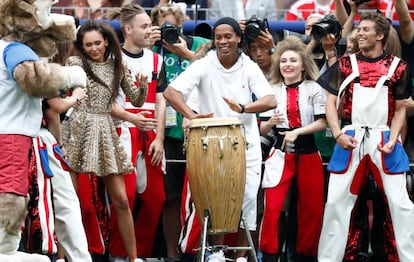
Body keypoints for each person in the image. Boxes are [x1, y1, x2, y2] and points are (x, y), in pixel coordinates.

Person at [163, 17, 277, 262]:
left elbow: (270, 100)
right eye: (218, 37)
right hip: (211, 141)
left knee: (247, 200)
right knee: (217, 199)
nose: (223, 41)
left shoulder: (248, 65)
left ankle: (241, 257)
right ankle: (216, 253)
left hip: (246, 142)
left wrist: (244, 108)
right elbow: (171, 92)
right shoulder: (205, 64)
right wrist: (192, 116)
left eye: (228, 36)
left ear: (238, 38)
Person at [317, 11, 414, 262]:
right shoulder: (345, 63)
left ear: (380, 35)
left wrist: (393, 139)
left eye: (365, 29)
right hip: (350, 136)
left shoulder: (398, 66)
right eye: (359, 29)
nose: (359, 33)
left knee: (400, 204)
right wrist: (337, 133)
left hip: (384, 137)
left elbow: (401, 107)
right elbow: (329, 103)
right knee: (335, 203)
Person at [61, 20, 148, 262]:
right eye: (87, 44)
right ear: (81, 46)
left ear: (107, 41)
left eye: (97, 43)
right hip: (78, 128)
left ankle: (133, 258)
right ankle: (62, 256)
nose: (93, 48)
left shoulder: (117, 66)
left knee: (121, 200)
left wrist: (143, 86)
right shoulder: (75, 63)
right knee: (70, 198)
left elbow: (137, 100)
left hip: (105, 129)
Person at [149, 3, 210, 260]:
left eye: (173, 26)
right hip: (167, 131)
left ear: (182, 22)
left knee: (203, 195)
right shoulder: (150, 49)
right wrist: (146, 44)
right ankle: (173, 253)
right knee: (170, 197)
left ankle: (200, 248)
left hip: (198, 126)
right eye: (164, 28)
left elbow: (217, 69)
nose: (169, 33)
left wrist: (185, 53)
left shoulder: (199, 44)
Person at [107, 3, 168, 260]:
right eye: (144, 27)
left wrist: (161, 138)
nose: (149, 31)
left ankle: (138, 254)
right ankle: (119, 254)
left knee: (157, 198)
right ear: (128, 29)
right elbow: (106, 103)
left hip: (151, 135)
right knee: (126, 198)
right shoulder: (112, 59)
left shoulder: (157, 59)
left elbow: (162, 100)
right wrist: (133, 119)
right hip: (123, 132)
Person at [258, 36, 326, 262]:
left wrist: (298, 131)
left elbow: (323, 122)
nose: (287, 64)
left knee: (312, 209)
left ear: (303, 65)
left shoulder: (314, 88)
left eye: (293, 60)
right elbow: (262, 128)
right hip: (279, 153)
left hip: (308, 152)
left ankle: (306, 256)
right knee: (273, 207)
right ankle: (269, 255)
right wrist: (269, 124)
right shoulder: (271, 90)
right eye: (284, 60)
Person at [208, 0, 278, 20]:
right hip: (229, 43)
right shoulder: (218, 1)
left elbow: (271, 26)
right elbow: (214, 26)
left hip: (258, 42)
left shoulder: (268, 1)